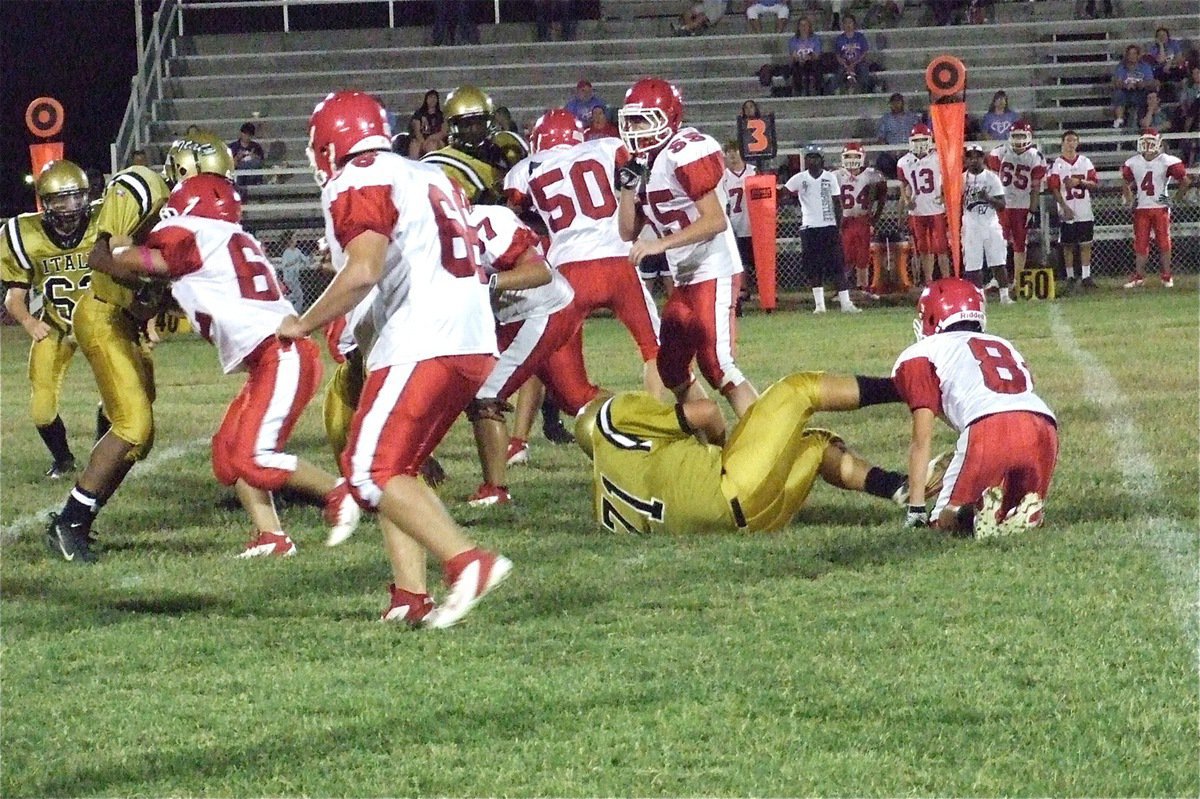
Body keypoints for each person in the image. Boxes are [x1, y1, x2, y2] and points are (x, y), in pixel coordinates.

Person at [278, 91, 512, 628]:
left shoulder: (359, 176)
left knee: (367, 468)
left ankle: (466, 561)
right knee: (397, 468)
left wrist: (303, 323)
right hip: (472, 338)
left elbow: (364, 270)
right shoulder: (427, 174)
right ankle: (410, 595)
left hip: (423, 336)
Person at [87, 174, 361, 556]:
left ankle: (338, 494)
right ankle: (272, 537)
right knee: (230, 453)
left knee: (253, 456)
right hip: (272, 357)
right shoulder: (233, 238)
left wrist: (107, 251)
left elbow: (141, 262)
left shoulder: (190, 231)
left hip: (280, 353)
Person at [45, 134, 236, 563]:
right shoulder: (142, 185)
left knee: (138, 438)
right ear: (186, 171)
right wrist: (151, 284)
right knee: (133, 426)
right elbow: (100, 256)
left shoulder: (189, 215)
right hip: (103, 313)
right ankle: (69, 523)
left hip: (127, 321)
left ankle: (81, 509)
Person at [573, 371, 947, 535]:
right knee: (797, 389)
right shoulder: (614, 415)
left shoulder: (603, 497)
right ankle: (907, 386)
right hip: (731, 489)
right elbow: (706, 413)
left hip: (749, 525)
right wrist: (726, 445)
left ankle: (896, 485)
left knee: (813, 445)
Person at [504, 109, 665, 464]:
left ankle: (522, 440)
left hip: (567, 272)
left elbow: (516, 209)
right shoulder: (607, 147)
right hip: (617, 260)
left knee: (572, 389)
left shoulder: (526, 169)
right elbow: (637, 172)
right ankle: (657, 426)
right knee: (653, 351)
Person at [617, 77, 759, 418]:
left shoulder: (685, 151)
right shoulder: (642, 161)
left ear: (668, 116)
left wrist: (658, 244)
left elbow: (714, 221)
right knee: (671, 368)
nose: (634, 128)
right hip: (685, 276)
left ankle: (773, 443)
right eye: (631, 120)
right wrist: (626, 188)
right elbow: (626, 231)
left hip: (714, 267)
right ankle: (711, 435)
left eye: (642, 119)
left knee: (718, 365)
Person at [894, 278, 1058, 538]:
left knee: (942, 523)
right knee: (1009, 508)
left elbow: (921, 438)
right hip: (1043, 426)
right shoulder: (1002, 344)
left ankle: (970, 515)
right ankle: (1016, 515)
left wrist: (916, 509)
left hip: (989, 426)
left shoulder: (922, 352)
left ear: (934, 315)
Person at [463, 202, 593, 506]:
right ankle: (648, 424)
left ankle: (495, 489)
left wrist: (484, 286)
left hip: (541, 309)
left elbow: (539, 272)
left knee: (484, 393)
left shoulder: (483, 221)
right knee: (575, 398)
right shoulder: (426, 234)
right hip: (518, 314)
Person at [1, 160, 99, 479]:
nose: (71, 207)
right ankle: (63, 459)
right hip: (56, 325)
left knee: (120, 396)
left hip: (103, 324)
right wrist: (30, 322)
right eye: (61, 199)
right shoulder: (25, 234)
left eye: (77, 197)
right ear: (45, 202)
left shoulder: (104, 222)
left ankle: (104, 457)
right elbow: (13, 298)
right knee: (41, 409)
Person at [422, 84, 529, 206]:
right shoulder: (442, 163)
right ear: (453, 126)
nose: (474, 130)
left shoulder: (507, 145)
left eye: (479, 122)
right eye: (466, 124)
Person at [785, 144, 860, 314]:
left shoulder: (830, 178)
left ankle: (846, 303)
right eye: (810, 157)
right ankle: (819, 305)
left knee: (837, 266)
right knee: (814, 268)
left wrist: (838, 224)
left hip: (828, 226)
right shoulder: (799, 178)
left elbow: (836, 202)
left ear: (822, 159)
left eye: (816, 157)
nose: (813, 160)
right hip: (810, 226)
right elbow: (784, 192)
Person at [1120, 129, 1191, 289]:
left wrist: (1174, 199)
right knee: (1141, 243)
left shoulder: (1167, 161)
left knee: (1163, 242)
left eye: (1151, 142)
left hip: (1160, 207)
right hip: (1142, 207)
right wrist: (1130, 199)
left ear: (1159, 143)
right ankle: (1139, 276)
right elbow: (1125, 182)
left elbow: (1185, 181)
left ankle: (1166, 275)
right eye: (1145, 142)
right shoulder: (1133, 162)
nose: (1147, 146)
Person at [985, 120, 1046, 289]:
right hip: (1002, 204)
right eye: (1016, 136)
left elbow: (1035, 187)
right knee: (998, 242)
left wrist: (1032, 210)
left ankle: (1019, 280)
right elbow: (992, 181)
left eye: (1021, 135)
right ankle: (998, 278)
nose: (1018, 139)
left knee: (1020, 243)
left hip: (1022, 205)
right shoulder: (999, 152)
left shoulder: (1035, 156)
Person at [896, 123, 951, 285]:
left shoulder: (939, 157)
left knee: (941, 248)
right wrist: (906, 203)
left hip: (936, 209)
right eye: (916, 140)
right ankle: (929, 281)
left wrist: (944, 197)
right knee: (924, 249)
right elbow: (904, 187)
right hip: (917, 211)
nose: (920, 144)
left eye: (923, 140)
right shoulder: (904, 162)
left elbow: (949, 182)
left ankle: (946, 280)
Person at [1046, 130, 1099, 291]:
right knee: (1067, 245)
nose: (1071, 143)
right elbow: (1054, 188)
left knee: (1085, 244)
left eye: (1074, 140)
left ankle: (1086, 275)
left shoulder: (1085, 161)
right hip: (1067, 208)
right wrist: (1063, 207)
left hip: (1083, 208)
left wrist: (1079, 182)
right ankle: (1069, 276)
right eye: (1068, 140)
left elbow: (1094, 183)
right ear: (1062, 142)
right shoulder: (1057, 164)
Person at [834, 141, 886, 294]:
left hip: (863, 218)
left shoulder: (871, 175)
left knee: (863, 255)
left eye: (855, 156)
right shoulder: (836, 175)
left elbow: (882, 198)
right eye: (848, 156)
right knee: (845, 255)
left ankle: (862, 286)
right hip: (845, 219)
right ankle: (842, 289)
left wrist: (874, 219)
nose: (851, 159)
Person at [960, 143, 1011, 302]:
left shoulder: (991, 177)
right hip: (971, 224)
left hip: (990, 223)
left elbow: (1002, 205)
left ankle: (1004, 295)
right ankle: (978, 297)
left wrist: (988, 198)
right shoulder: (962, 179)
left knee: (998, 261)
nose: (974, 160)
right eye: (970, 157)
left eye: (977, 157)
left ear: (983, 158)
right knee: (973, 265)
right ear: (966, 160)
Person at [720, 140, 758, 313]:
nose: (732, 155)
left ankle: (764, 290)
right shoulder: (723, 177)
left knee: (759, 260)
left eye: (735, 150)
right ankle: (742, 291)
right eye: (728, 151)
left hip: (755, 224)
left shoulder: (753, 172)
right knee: (739, 261)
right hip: (735, 224)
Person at [1110, 45, 1159, 130]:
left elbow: (1151, 81)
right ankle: (1119, 120)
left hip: (1141, 92)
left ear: (1138, 55)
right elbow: (1116, 82)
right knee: (1118, 94)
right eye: (1130, 54)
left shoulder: (1145, 66)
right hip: (1126, 92)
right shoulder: (1121, 67)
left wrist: (1143, 84)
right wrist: (1125, 85)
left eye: (1134, 54)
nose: (1132, 56)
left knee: (1147, 94)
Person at [875, 93, 922, 178]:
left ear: (903, 103)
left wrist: (909, 151)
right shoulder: (885, 119)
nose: (896, 105)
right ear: (890, 105)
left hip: (911, 152)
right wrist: (890, 152)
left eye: (898, 102)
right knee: (883, 161)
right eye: (893, 102)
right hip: (892, 155)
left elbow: (919, 135)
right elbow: (881, 139)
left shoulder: (913, 118)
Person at [833, 13, 872, 94]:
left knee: (863, 70)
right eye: (845, 23)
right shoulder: (839, 39)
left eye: (850, 22)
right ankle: (836, 91)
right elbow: (837, 54)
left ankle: (865, 91)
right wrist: (845, 65)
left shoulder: (860, 37)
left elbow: (864, 52)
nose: (848, 25)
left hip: (859, 62)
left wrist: (854, 63)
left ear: (854, 24)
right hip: (844, 63)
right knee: (839, 73)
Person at [788, 16, 825, 96]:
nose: (803, 27)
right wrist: (799, 59)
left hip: (812, 62)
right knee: (796, 67)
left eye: (806, 25)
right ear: (798, 27)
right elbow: (793, 56)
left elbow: (817, 55)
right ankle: (798, 91)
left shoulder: (816, 39)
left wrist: (810, 57)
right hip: (799, 63)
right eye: (801, 25)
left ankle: (817, 90)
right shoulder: (793, 40)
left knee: (816, 65)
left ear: (809, 27)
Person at [408, 89, 447, 159]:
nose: (432, 100)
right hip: (421, 139)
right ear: (426, 99)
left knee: (432, 144)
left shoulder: (441, 115)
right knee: (414, 144)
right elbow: (417, 131)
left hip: (435, 139)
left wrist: (430, 138)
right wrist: (423, 142)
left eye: (434, 98)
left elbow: (443, 132)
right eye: (430, 97)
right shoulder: (419, 113)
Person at [277, 230, 309, 309]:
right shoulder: (286, 252)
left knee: (298, 295)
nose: (296, 240)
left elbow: (304, 259)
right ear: (289, 241)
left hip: (295, 276)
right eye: (294, 238)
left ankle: (290, 305)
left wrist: (308, 259)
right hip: (289, 277)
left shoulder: (297, 251)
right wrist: (294, 261)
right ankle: (285, 301)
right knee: (299, 295)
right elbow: (285, 264)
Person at [229, 122, 266, 186]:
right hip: (238, 176)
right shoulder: (233, 147)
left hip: (252, 177)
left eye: (249, 135)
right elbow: (230, 166)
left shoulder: (256, 147)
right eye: (245, 134)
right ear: (241, 133)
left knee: (255, 164)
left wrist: (254, 156)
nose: (247, 137)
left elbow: (261, 163)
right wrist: (238, 157)